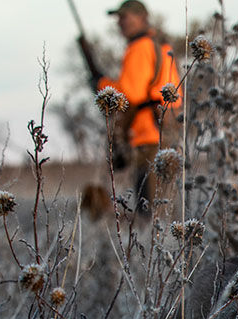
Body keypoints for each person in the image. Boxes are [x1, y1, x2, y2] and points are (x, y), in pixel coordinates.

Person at [93, 0, 179, 216]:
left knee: (148, 211)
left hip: (146, 138)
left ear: (142, 17)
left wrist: (102, 84)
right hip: (164, 133)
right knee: (163, 207)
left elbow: (129, 94)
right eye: (119, 19)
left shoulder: (139, 47)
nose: (121, 23)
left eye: (125, 17)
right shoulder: (160, 44)